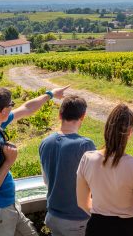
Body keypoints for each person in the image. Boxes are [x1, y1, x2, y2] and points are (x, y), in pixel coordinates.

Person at [0, 85, 69, 236]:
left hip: (8, 208)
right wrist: (8, 162)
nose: (13, 108)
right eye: (11, 105)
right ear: (3, 111)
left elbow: (27, 108)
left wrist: (50, 94)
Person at [76, 104, 133, 236]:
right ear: (130, 132)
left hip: (96, 227)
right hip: (126, 229)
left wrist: (103, 211)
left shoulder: (87, 159)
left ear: (107, 128)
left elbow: (82, 202)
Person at [39, 96, 96, 236]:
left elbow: (46, 181)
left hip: (53, 216)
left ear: (60, 114)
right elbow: (96, 183)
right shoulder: (85, 145)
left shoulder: (45, 142)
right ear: (83, 116)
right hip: (75, 219)